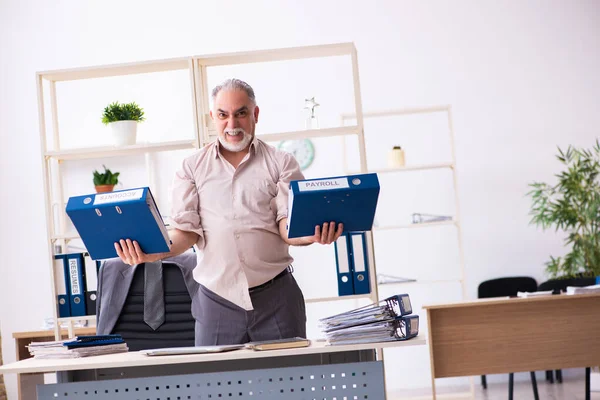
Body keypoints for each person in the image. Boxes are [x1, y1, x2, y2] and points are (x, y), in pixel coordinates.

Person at [114, 78, 343, 345]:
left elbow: (287, 227)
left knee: (290, 382)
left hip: (277, 299)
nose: (232, 125)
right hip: (216, 302)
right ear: (213, 117)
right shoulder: (191, 168)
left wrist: (311, 235)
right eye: (223, 115)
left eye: (241, 113)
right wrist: (153, 252)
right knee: (214, 385)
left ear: (255, 114)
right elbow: (186, 233)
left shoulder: (282, 163)